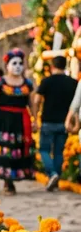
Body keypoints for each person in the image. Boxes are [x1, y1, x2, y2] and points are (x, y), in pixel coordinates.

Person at [0, 48, 35, 195]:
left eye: (20, 63)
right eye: (14, 63)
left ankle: (14, 177)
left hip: (21, 121)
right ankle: (7, 182)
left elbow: (32, 104)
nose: (18, 66)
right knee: (5, 150)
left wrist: (35, 119)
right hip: (3, 120)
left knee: (18, 149)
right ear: (7, 65)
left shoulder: (27, 84)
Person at [35, 56, 76, 190]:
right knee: (59, 152)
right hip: (64, 122)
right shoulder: (72, 82)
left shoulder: (46, 81)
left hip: (48, 121)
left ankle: (52, 174)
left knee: (44, 150)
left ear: (52, 66)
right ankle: (56, 179)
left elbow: (36, 100)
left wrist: (35, 116)